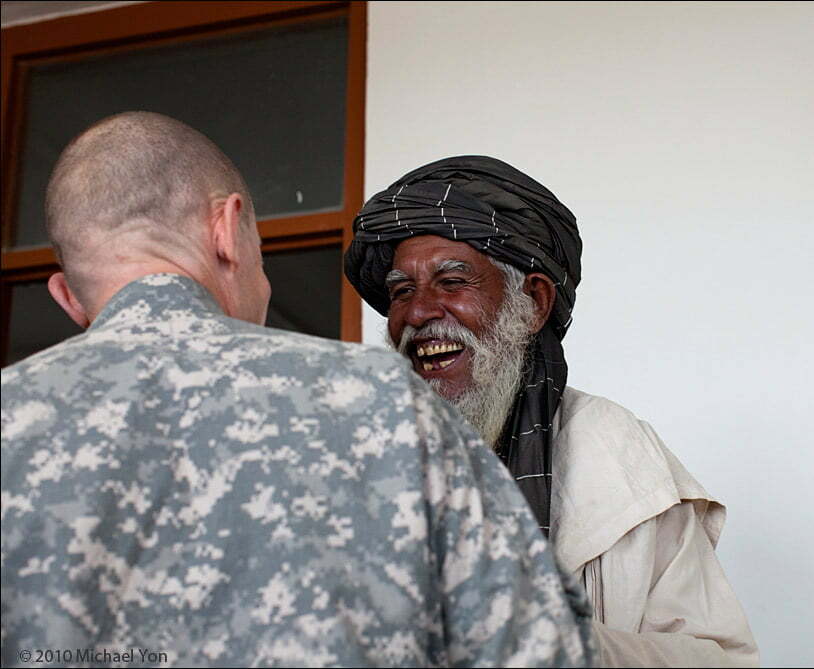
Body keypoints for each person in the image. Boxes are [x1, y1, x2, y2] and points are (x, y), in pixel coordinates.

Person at [0, 115, 593, 668]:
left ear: (67, 296)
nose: (417, 313)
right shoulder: (380, 401)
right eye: (261, 253)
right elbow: (538, 650)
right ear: (226, 229)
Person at [344, 156, 760, 667]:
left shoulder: (612, 446)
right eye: (401, 291)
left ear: (535, 302)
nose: (417, 312)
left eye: (452, 282)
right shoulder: (356, 459)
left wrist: (553, 640)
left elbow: (723, 660)